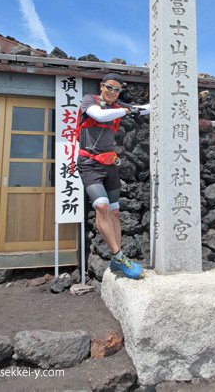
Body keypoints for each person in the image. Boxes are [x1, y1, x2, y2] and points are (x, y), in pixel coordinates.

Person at [77, 73, 150, 279]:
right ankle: (119, 255)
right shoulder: (89, 101)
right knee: (101, 206)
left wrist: (161, 103)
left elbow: (143, 110)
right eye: (110, 87)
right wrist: (126, 110)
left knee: (115, 212)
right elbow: (99, 116)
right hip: (89, 163)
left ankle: (117, 261)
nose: (113, 92)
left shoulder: (118, 106)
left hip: (109, 164)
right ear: (102, 86)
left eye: (117, 90)